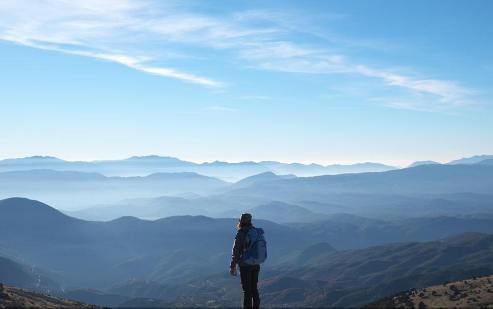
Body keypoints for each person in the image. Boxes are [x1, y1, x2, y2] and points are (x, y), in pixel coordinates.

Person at [230, 213, 260, 309]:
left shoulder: (240, 233)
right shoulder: (255, 232)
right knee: (254, 289)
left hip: (245, 265)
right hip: (256, 264)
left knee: (247, 291)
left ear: (241, 221)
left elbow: (236, 251)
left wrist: (232, 265)